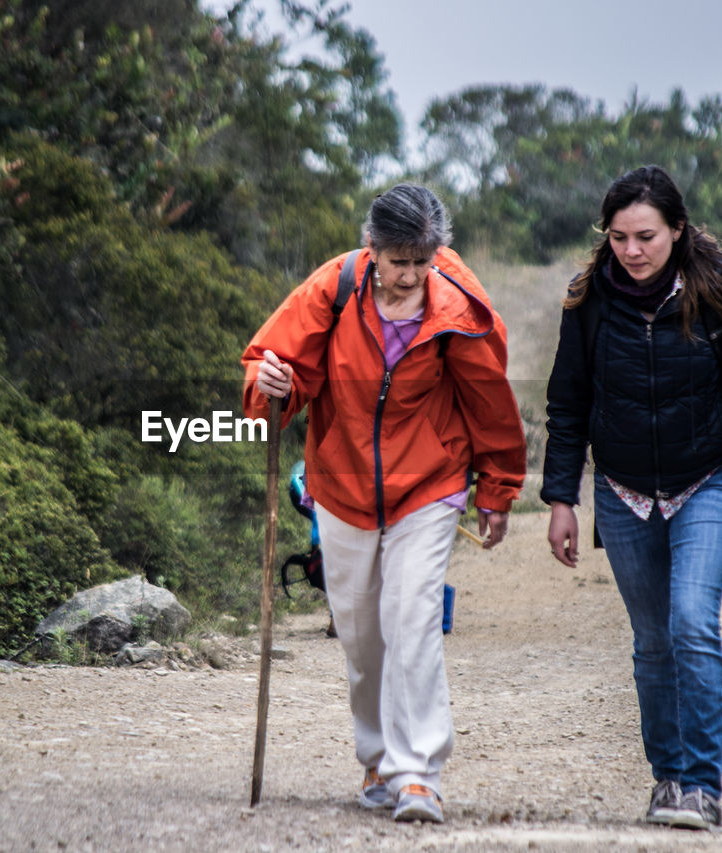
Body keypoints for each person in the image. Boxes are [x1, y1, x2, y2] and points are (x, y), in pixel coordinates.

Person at [242, 183, 526, 824]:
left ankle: (418, 773)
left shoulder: (458, 309)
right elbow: (274, 363)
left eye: (422, 262)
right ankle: (375, 758)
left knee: (414, 618)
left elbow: (489, 400)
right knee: (363, 634)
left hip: (429, 483)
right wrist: (272, 383)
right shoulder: (334, 288)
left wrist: (498, 487)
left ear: (436, 252)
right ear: (372, 247)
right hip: (341, 486)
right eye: (398, 261)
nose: (410, 276)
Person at [541, 165, 722, 831]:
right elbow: (568, 403)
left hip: (707, 477)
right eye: (620, 237)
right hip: (623, 489)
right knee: (652, 639)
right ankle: (668, 780)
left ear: (677, 230)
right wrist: (560, 497)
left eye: (647, 236)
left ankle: (703, 784)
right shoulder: (588, 299)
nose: (632, 250)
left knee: (691, 621)